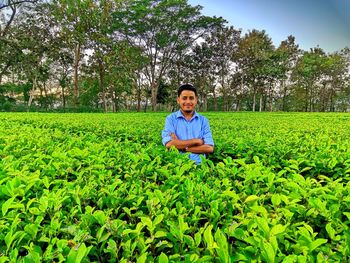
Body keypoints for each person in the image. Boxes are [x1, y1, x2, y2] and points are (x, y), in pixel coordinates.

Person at [161, 84, 214, 164]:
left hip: (200, 167)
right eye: (184, 98)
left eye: (191, 98)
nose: (188, 102)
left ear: (196, 100)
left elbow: (209, 148)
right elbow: (169, 144)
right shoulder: (171, 119)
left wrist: (183, 147)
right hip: (177, 167)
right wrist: (197, 141)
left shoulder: (203, 120)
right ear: (178, 100)